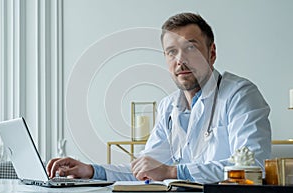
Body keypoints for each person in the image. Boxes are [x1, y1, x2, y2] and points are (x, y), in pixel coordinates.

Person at [47, 12, 271, 183]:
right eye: (171, 52)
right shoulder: (169, 107)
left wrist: (172, 172)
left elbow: (255, 168)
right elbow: (146, 168)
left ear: (211, 54)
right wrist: (92, 171)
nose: (180, 60)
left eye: (190, 48)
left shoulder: (240, 95)